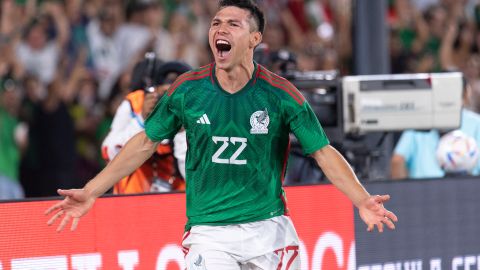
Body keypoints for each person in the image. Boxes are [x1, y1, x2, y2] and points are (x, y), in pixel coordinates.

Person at [45, 1, 398, 269]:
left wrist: (361, 199)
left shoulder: (280, 95)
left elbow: (323, 152)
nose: (220, 29)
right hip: (209, 234)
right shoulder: (187, 91)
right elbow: (144, 143)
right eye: (216, 23)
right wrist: (92, 190)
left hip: (269, 232)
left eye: (233, 23)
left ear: (255, 38)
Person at [102, 56, 191, 194]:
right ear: (154, 91)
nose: (169, 103)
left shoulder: (197, 112)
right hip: (132, 199)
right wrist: (141, 120)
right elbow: (109, 153)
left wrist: (182, 133)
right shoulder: (137, 103)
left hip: (176, 202)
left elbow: (195, 180)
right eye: (164, 94)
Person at [391, 78, 480, 179]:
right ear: (466, 95)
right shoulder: (419, 122)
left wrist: (406, 191)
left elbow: (397, 161)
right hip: (469, 188)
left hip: (425, 189)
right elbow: (398, 161)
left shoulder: (476, 123)